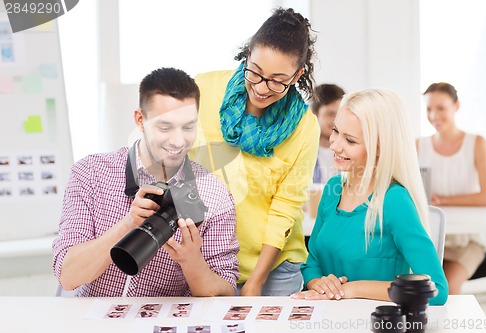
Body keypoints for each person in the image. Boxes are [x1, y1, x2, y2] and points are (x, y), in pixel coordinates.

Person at [52, 68, 239, 297]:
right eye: (165, 127)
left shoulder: (214, 194)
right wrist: (129, 223)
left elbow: (226, 293)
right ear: (140, 120)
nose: (178, 140)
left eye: (188, 127)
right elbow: (68, 276)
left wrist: (192, 262)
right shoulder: (90, 174)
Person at [190, 7, 320, 296]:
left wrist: (256, 281)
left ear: (297, 75)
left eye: (277, 80)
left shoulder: (305, 127)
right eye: (256, 73)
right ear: (247, 55)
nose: (262, 88)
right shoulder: (203, 89)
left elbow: (286, 206)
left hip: (272, 269)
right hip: (205, 260)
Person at [291, 88, 448, 305]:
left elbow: (436, 290)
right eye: (336, 131)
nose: (335, 145)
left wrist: (350, 289)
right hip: (326, 317)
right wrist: (318, 283)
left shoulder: (394, 201)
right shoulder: (333, 188)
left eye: (351, 141)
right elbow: (312, 262)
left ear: (379, 148)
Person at [417, 82, 486, 294]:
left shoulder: (476, 142)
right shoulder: (418, 145)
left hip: (467, 240)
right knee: (418, 287)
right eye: (429, 109)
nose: (433, 115)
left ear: (456, 106)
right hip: (431, 238)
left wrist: (444, 200)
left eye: (440, 108)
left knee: (446, 288)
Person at [310, 84, 345, 184]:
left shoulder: (351, 154)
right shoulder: (300, 152)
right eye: (330, 114)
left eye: (340, 114)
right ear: (314, 114)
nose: (336, 120)